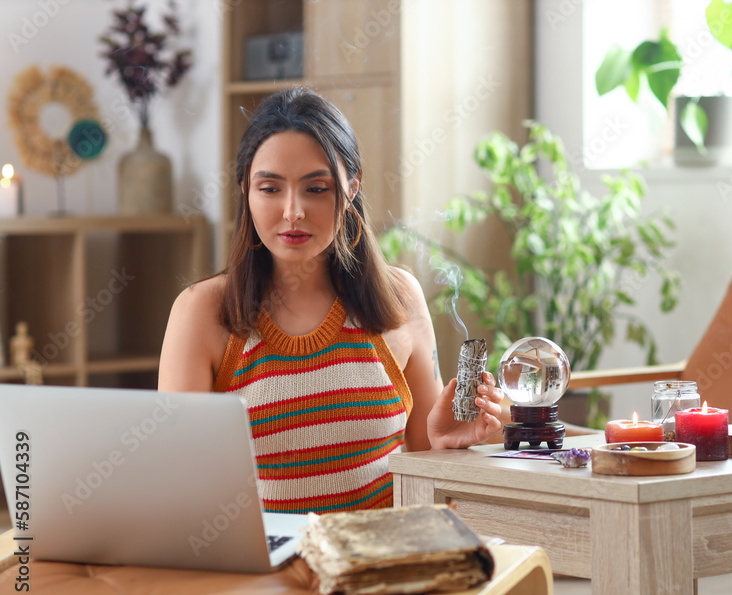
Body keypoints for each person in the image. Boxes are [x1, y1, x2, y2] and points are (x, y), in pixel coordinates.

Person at [159, 87, 503, 514]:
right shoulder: (202, 312)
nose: (293, 211)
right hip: (264, 574)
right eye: (270, 188)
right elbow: (179, 485)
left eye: (316, 189)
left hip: (381, 564)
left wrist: (445, 446)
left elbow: (422, 478)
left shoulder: (400, 299)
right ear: (246, 191)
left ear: (351, 188)